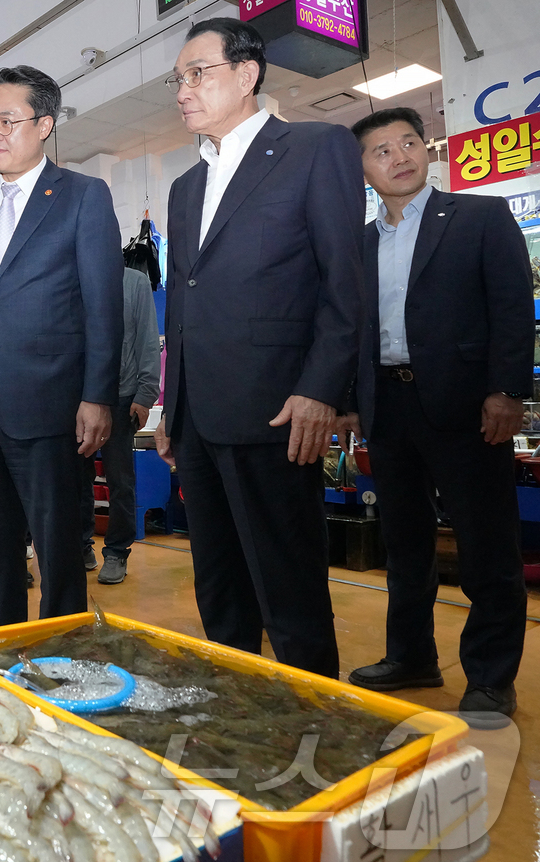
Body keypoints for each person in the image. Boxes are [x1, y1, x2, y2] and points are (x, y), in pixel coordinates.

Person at [154, 18, 363, 678]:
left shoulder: (314, 149)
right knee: (219, 588)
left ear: (246, 76)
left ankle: (316, 729)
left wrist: (322, 387)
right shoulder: (187, 187)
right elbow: (183, 303)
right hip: (198, 419)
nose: (183, 90)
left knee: (290, 591)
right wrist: (170, 406)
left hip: (276, 410)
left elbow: (344, 283)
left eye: (198, 74)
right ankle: (236, 715)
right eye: (178, 79)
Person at [340, 107, 531, 727]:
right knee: (405, 541)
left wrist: (507, 392)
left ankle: (491, 677)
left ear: (427, 150)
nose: (400, 156)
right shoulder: (359, 242)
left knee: (485, 543)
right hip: (388, 405)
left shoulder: (479, 216)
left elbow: (510, 308)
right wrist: (348, 400)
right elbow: (352, 330)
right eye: (382, 150)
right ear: (363, 168)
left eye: (409, 143)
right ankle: (412, 656)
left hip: (468, 405)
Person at [0, 65, 123, 628]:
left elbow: (102, 306)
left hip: (52, 403)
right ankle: (4, 648)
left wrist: (97, 396)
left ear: (44, 124)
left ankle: (62, 661)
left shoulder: (83, 196)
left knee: (59, 550)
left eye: (8, 120)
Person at [80, 268, 162, 584]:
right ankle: (82, 543)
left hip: (122, 395)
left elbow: (147, 339)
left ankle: (116, 552)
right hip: (78, 396)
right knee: (77, 477)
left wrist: (145, 393)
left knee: (120, 479)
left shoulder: (134, 282)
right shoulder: (73, 276)